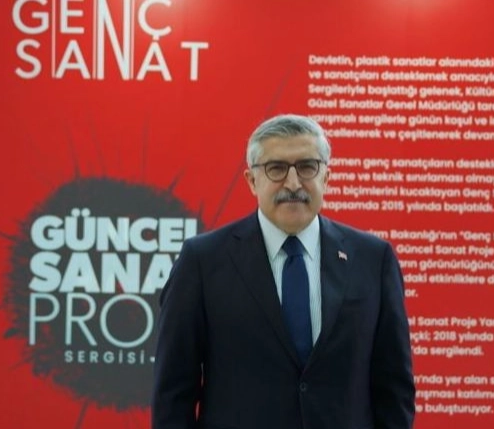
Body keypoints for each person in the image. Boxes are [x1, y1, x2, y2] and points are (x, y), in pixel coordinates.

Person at [151, 114, 416, 429]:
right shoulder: (202, 261)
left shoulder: (373, 258)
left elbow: (394, 387)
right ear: (252, 180)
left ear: (326, 178)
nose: (293, 183)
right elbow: (173, 392)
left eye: (307, 167)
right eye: (276, 168)